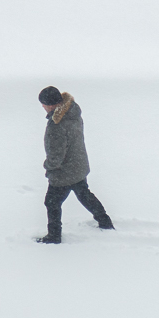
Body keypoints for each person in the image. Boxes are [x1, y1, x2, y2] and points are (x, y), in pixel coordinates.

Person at [35, 85, 114, 243]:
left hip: (63, 172)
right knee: (84, 194)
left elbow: (56, 156)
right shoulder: (73, 112)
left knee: (51, 202)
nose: (42, 107)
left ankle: (54, 236)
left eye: (43, 104)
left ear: (50, 105)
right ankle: (105, 222)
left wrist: (48, 167)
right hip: (78, 165)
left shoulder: (56, 126)